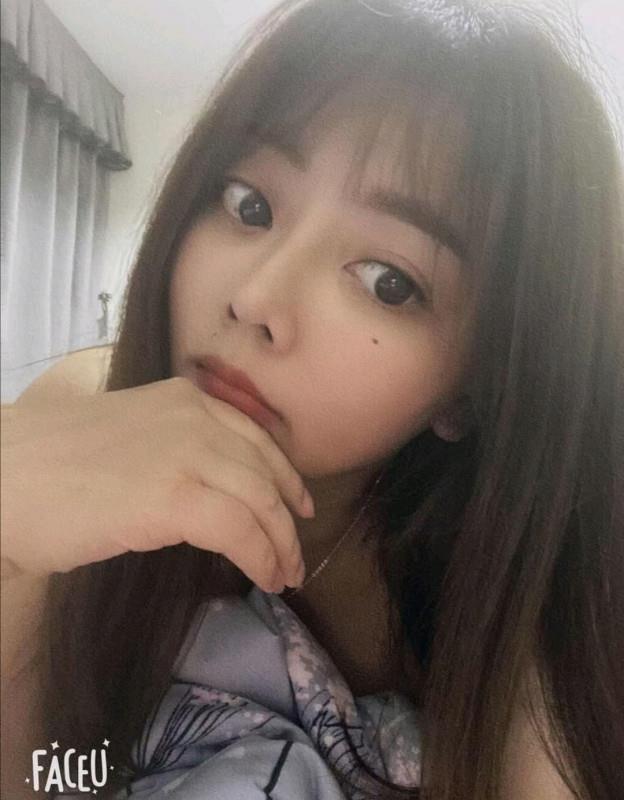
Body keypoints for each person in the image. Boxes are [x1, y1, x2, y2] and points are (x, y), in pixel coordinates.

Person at [2, 0, 623, 798]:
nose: (256, 298)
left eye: (387, 282)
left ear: (475, 390)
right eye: (249, 205)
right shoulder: (85, 411)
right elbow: (39, 774)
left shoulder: (512, 602)